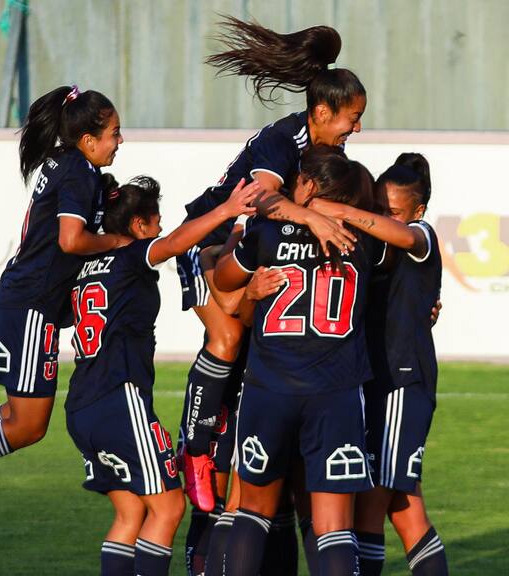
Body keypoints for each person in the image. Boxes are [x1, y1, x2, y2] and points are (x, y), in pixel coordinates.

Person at [176, 16, 366, 522]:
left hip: (240, 247)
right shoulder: (282, 140)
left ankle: (228, 451)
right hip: (205, 239)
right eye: (353, 117)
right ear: (322, 112)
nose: (358, 128)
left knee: (249, 352)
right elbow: (261, 197)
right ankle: (193, 447)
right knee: (228, 341)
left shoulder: (322, 149)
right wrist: (311, 217)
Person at [0, 85, 127, 533]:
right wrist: (117, 241)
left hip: (27, 306)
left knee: (20, 419)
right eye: (115, 132)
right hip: (29, 308)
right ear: (89, 138)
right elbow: (71, 240)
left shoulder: (67, 163)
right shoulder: (78, 170)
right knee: (29, 425)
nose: (120, 141)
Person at [65, 173, 258, 576]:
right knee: (169, 507)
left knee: (131, 512)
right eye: (155, 223)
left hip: (81, 404)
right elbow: (172, 245)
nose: (160, 231)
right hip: (121, 400)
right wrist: (226, 211)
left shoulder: (85, 267)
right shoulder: (131, 255)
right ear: (138, 226)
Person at [213, 145, 382, 575]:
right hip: (335, 393)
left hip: (271, 388)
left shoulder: (266, 234)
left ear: (305, 183)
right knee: (333, 528)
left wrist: (249, 284)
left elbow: (224, 279)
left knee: (253, 511)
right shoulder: (363, 241)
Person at [308, 154, 448, 575]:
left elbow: (406, 238)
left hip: (403, 383)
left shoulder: (420, 235)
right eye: (378, 210)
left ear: (417, 212)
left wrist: (337, 209)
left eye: (392, 213)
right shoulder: (372, 248)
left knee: (369, 507)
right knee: (407, 514)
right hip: (375, 382)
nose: (380, 219)